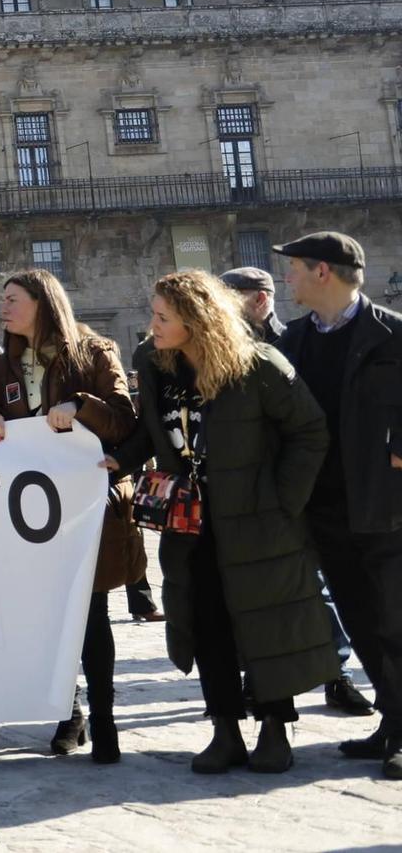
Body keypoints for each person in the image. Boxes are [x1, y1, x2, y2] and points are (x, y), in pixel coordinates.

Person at [115, 270, 336, 773]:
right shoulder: (153, 363)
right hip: (190, 521)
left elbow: (310, 430)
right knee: (206, 622)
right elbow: (152, 432)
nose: (152, 325)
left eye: (162, 316)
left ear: (196, 320)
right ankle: (225, 730)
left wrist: (283, 500)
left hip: (258, 520)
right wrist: (118, 460)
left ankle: (276, 727)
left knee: (265, 623)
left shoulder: (257, 366)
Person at [0, 269, 138, 764]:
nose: (2, 308)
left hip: (84, 508)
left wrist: (80, 405)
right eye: (1, 300)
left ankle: (106, 719)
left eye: (12, 299)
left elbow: (123, 419)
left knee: (91, 618)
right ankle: (71, 713)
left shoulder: (94, 354)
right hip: (24, 517)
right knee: (46, 620)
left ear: (43, 303)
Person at [273, 231, 402, 778]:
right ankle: (393, 720)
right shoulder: (292, 342)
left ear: (322, 272)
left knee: (397, 621)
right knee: (361, 619)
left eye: (294, 269)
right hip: (324, 510)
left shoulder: (393, 334)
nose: (287, 279)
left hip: (387, 506)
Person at [219, 265, 369, 715]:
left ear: (259, 300)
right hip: (256, 490)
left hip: (302, 487)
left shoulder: (297, 343)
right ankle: (261, 679)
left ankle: (336, 676)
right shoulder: (222, 350)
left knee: (316, 586)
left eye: (231, 297)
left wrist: (292, 489)